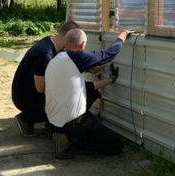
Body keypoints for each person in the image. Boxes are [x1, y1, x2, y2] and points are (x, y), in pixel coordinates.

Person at [45, 28, 130, 159]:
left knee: (93, 93)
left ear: (67, 42)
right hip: (73, 122)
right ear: (83, 44)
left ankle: (62, 134)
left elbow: (85, 87)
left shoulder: (58, 59)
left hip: (54, 119)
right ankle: (70, 143)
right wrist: (123, 35)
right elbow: (109, 54)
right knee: (116, 146)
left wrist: (110, 80)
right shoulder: (77, 57)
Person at [11, 20, 80, 136]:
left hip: (26, 92)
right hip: (24, 98)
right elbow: (41, 88)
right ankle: (27, 118)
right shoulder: (44, 53)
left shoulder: (51, 42)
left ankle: (46, 122)